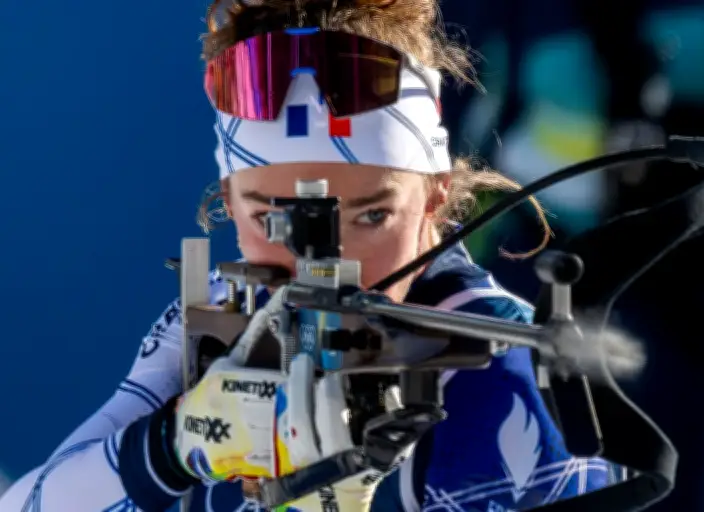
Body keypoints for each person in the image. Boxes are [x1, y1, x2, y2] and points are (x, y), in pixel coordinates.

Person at [0, 0, 610, 510]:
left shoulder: (496, 370)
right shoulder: (221, 311)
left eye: (371, 215)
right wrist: (175, 444)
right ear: (229, 209)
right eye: (274, 219)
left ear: (435, 198)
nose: (325, 262)